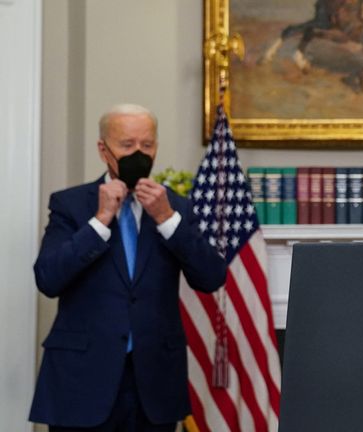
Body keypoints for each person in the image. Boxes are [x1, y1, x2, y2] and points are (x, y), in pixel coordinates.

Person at [29, 104, 227, 431]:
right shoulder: (70, 204)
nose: (139, 154)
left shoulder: (176, 207)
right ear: (103, 149)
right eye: (127, 145)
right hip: (82, 381)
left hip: (154, 383)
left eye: (146, 145)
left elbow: (211, 277)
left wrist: (166, 219)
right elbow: (48, 278)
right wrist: (100, 219)